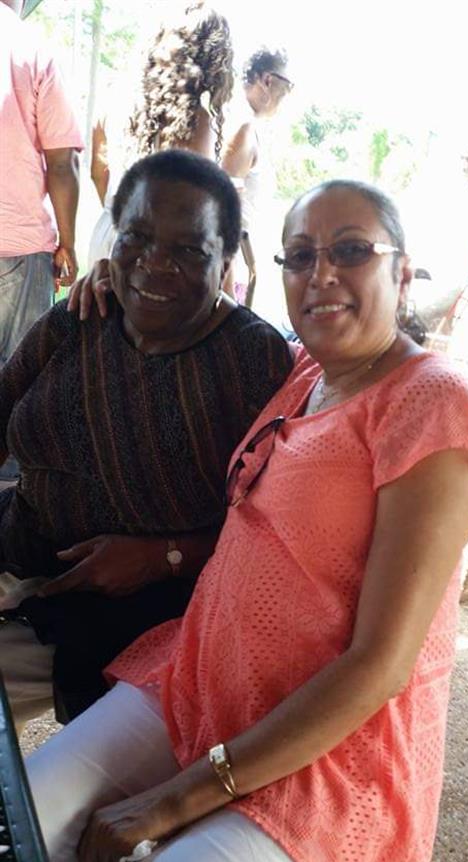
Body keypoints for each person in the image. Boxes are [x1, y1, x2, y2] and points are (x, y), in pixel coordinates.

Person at [26, 179, 468, 862]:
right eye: (300, 256)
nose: (320, 273)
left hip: (330, 764)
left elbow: (379, 669)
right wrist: (110, 284)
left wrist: (175, 801)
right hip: (197, 686)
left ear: (403, 274)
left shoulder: (433, 406)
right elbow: (204, 319)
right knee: (17, 838)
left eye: (351, 250)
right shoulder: (305, 373)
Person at [0, 150, 293, 726]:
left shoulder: (253, 360)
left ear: (228, 257)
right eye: (137, 237)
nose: (154, 265)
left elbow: (270, 535)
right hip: (19, 541)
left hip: (120, 612)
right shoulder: (86, 312)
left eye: (189, 250)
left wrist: (165, 556)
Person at [0, 0, 83, 477]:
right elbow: (61, 163)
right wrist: (67, 242)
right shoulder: (33, 50)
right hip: (21, 246)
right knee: (20, 385)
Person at [88, 2, 234, 267]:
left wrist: (124, 218)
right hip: (151, 252)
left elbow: (99, 174)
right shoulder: (195, 119)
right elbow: (192, 204)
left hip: (109, 235)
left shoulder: (115, 96)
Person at [222, 46, 293, 306]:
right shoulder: (242, 128)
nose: (288, 94)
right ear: (267, 80)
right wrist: (227, 295)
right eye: (288, 86)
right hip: (231, 272)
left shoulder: (249, 126)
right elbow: (224, 215)